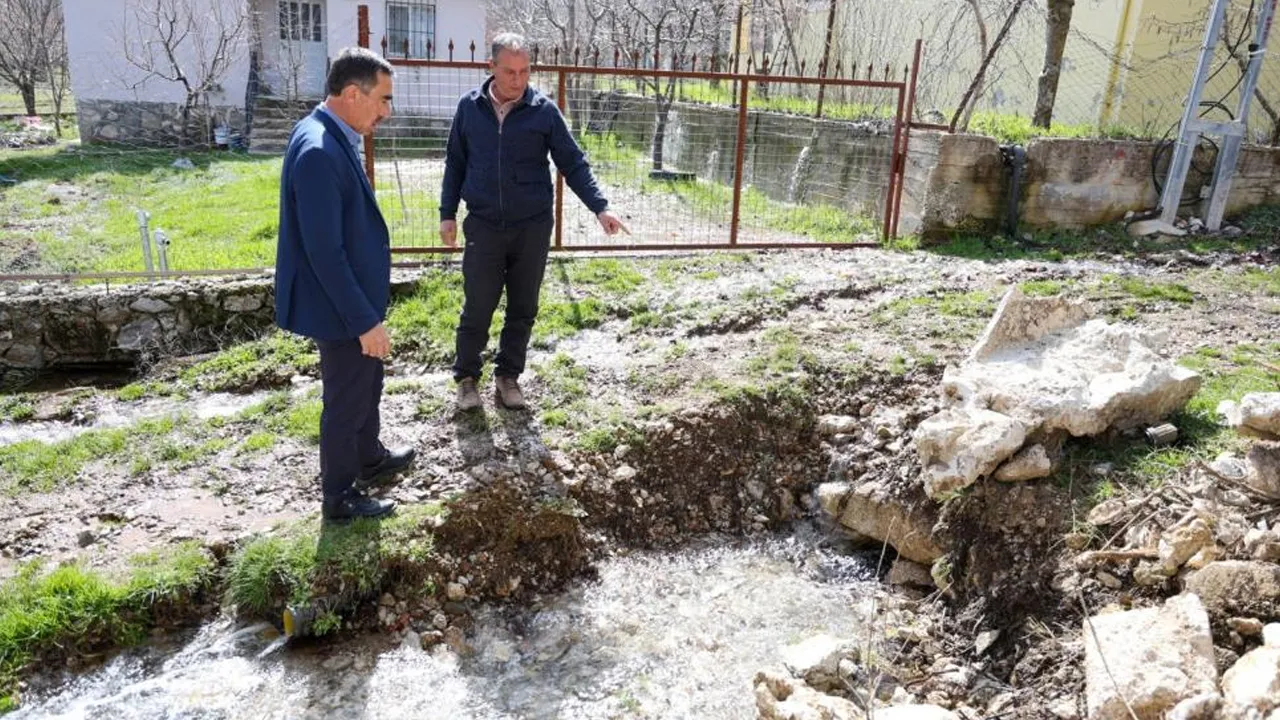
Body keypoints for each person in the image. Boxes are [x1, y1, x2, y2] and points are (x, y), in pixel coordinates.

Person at [440, 32, 628, 412]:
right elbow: (455, 163)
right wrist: (447, 214)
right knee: (478, 304)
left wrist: (600, 206)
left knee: (523, 306)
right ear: (490, 67)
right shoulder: (469, 108)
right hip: (484, 224)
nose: (517, 80)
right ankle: (466, 379)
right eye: (509, 71)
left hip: (532, 226)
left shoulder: (543, 111)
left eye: (524, 71)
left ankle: (508, 377)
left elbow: (572, 162)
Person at [275, 47, 415, 522]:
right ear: (353, 93)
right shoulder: (317, 150)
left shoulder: (334, 133)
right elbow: (325, 253)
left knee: (367, 381)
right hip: (339, 308)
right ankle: (339, 497)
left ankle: (368, 457)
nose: (387, 111)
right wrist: (364, 321)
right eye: (383, 100)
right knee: (345, 398)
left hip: (355, 300)